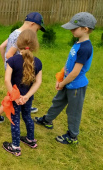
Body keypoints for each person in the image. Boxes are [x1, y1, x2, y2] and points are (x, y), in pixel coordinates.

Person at [34, 12, 96, 144]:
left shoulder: (85, 48)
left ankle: (72, 136)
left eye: (74, 28)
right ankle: (47, 120)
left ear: (85, 29)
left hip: (76, 87)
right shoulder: (78, 43)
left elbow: (75, 72)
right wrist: (60, 77)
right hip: (67, 82)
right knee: (57, 101)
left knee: (73, 111)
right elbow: (69, 63)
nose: (71, 30)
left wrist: (63, 84)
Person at [0, 12, 45, 123]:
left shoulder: (15, 32)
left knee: (17, 92)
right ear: (32, 24)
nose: (36, 32)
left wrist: (6, 64)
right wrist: (13, 64)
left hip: (12, 69)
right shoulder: (21, 36)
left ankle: (26, 106)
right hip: (17, 71)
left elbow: (2, 47)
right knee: (13, 95)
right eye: (37, 29)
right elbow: (9, 54)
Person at [2, 29, 42, 156]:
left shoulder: (12, 61)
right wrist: (27, 96)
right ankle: (30, 140)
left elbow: (7, 80)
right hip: (28, 98)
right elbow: (38, 82)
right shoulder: (38, 62)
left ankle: (15, 146)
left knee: (15, 120)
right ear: (35, 45)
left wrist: (16, 97)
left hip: (15, 98)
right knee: (27, 116)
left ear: (18, 44)